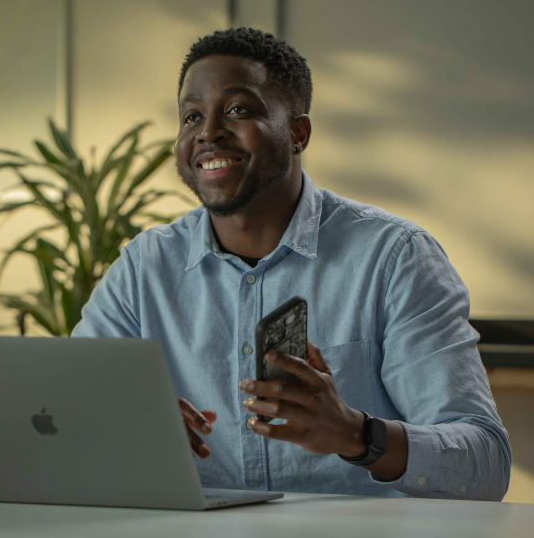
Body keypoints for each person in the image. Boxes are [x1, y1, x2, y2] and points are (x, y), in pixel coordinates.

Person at [72, 27, 511, 500]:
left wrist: (357, 435)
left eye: (238, 109)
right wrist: (118, 428)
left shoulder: (395, 257)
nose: (208, 132)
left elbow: (485, 463)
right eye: (191, 115)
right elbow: (66, 413)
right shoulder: (143, 268)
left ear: (297, 132)